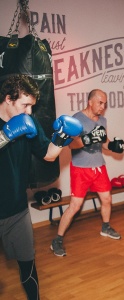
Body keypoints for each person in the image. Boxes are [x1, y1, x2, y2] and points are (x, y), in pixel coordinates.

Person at [0, 74, 83, 300]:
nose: (29, 112)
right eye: (25, 105)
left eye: (32, 106)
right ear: (8, 99)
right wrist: (4, 136)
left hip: (17, 209)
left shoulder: (29, 122)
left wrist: (62, 138)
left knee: (28, 265)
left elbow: (48, 155)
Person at [51, 89, 124, 257]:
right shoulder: (77, 119)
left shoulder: (103, 120)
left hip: (99, 167)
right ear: (90, 102)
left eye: (105, 103)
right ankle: (57, 239)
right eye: (100, 103)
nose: (103, 106)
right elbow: (71, 145)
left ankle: (105, 227)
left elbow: (103, 141)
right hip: (81, 169)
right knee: (75, 206)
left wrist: (114, 146)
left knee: (107, 199)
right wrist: (87, 139)